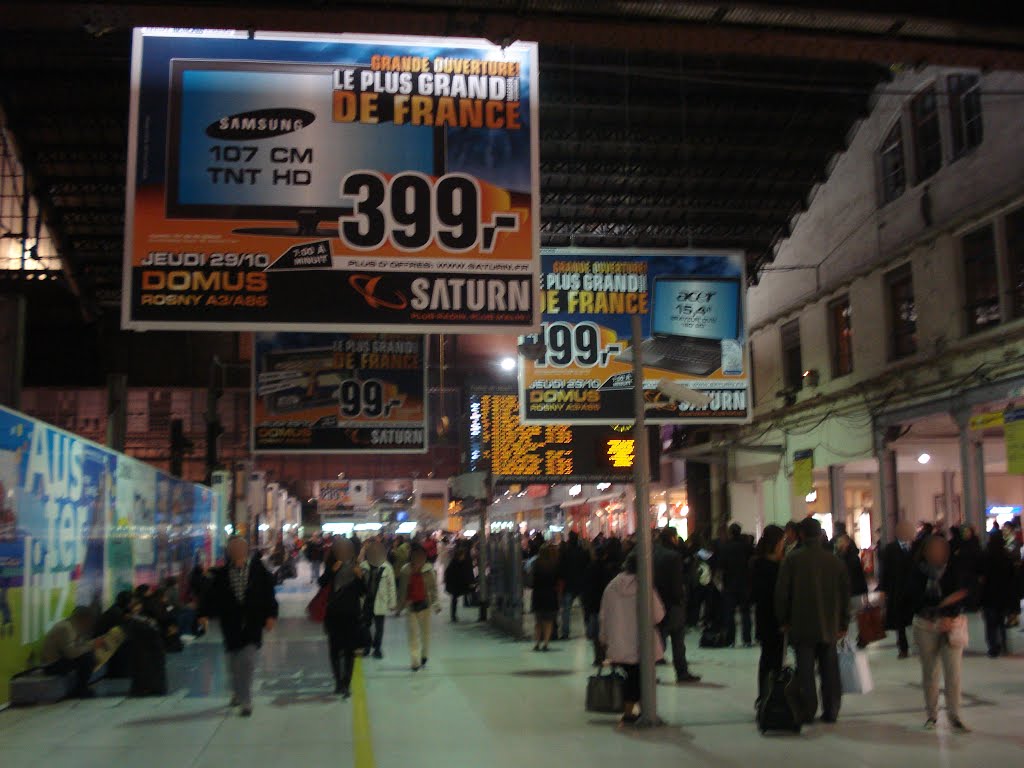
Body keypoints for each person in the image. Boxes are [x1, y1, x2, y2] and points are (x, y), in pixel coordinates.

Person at [775, 516, 850, 724]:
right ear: (820, 534)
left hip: (801, 625)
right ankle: (832, 710)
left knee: (805, 672)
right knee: (830, 671)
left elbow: (782, 593)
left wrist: (784, 619)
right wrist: (844, 623)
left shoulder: (792, 560)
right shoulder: (835, 561)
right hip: (829, 625)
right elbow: (845, 595)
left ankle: (807, 711)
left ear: (801, 534)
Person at [198, 535, 279, 717]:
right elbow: (210, 597)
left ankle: (246, 701)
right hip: (231, 624)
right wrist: (203, 615)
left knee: (247, 661)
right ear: (229, 552)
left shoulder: (259, 572)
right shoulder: (221, 574)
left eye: (240, 548)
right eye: (233, 549)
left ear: (246, 550)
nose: (237, 552)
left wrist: (271, 616)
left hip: (252, 622)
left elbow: (269, 595)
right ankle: (237, 692)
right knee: (233, 664)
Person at [904, 534, 971, 731]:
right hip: (926, 626)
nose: (937, 553)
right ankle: (932, 715)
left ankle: (955, 715)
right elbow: (911, 600)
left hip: (952, 626)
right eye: (933, 549)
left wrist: (949, 615)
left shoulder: (954, 568)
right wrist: (934, 613)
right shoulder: (917, 572)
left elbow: (964, 593)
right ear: (925, 552)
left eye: (941, 549)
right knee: (930, 671)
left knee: (953, 672)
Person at [599, 552, 666, 726]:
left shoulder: (611, 586)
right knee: (642, 678)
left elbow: (604, 616)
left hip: (619, 642)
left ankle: (632, 711)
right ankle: (639, 712)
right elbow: (658, 615)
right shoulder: (645, 587)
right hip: (642, 643)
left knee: (632, 677)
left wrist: (604, 638)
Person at [319, 537, 366, 697]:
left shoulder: (356, 567)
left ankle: (346, 683)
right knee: (334, 650)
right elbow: (322, 583)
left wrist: (359, 577)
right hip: (333, 615)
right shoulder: (332, 565)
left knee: (349, 651)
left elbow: (363, 592)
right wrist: (332, 571)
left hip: (351, 615)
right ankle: (338, 682)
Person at [653, 527, 700, 683]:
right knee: (678, 639)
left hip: (656, 601)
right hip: (673, 603)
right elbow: (676, 582)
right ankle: (682, 672)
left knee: (658, 638)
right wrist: (680, 598)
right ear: (673, 538)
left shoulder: (653, 553)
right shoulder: (673, 556)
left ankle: (648, 673)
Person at [751, 525, 786, 708]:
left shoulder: (757, 563)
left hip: (763, 617)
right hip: (776, 618)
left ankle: (764, 696)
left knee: (766, 658)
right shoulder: (778, 566)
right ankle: (773, 697)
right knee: (776, 658)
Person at [40, 606, 103, 698]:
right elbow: (71, 653)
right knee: (87, 658)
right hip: (52, 665)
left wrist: (94, 642)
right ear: (82, 618)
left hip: (61, 660)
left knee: (89, 656)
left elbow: (80, 645)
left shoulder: (74, 627)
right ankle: (80, 689)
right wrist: (91, 646)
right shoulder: (65, 628)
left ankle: (81, 688)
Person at [397, 544, 440, 671]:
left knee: (425, 634)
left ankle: (424, 655)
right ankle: (415, 661)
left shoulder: (428, 569)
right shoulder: (405, 570)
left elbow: (433, 589)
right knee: (413, 635)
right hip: (411, 607)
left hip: (425, 606)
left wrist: (436, 604)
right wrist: (400, 607)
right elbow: (402, 590)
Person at [879, 521, 915, 659]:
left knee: (915, 620)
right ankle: (903, 648)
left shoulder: (916, 547)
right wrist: (883, 590)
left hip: (914, 591)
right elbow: (885, 571)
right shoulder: (890, 549)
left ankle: (918, 646)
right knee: (900, 622)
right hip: (897, 590)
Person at [582, 538, 620, 666]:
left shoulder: (590, 568)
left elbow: (587, 589)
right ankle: (611, 656)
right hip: (607, 605)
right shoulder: (610, 569)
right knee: (610, 632)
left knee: (597, 635)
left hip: (594, 605)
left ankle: (599, 657)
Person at [980, 531, 1016, 658]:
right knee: (1001, 622)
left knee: (990, 624)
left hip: (989, 595)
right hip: (1003, 595)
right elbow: (1012, 579)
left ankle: (993, 647)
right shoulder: (1007, 556)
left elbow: (982, 576)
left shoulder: (986, 555)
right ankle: (1003, 645)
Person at [717, 522, 754, 647]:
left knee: (729, 613)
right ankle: (747, 639)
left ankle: (730, 640)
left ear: (730, 533)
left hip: (730, 584)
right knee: (746, 613)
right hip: (745, 583)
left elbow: (721, 566)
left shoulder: (725, 547)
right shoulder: (747, 547)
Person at [361, 540, 397, 658]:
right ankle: (367, 646)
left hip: (380, 601)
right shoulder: (363, 566)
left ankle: (377, 648)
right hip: (366, 601)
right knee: (365, 626)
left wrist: (392, 602)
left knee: (379, 628)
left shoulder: (387, 567)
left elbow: (391, 585)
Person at [834, 534, 869, 646]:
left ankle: (860, 638)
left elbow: (860, 576)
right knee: (849, 617)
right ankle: (848, 640)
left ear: (847, 543)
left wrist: (865, 592)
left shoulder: (851, 558)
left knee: (856, 616)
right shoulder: (839, 557)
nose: (838, 544)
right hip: (848, 592)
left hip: (855, 592)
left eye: (840, 542)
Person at [557, 531, 590, 640]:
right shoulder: (583, 553)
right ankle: (589, 631)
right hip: (582, 585)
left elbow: (561, 570)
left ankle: (565, 633)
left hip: (568, 585)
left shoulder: (565, 553)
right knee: (586, 609)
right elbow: (587, 567)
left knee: (566, 611)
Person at [530, 543, 560, 651]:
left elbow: (532, 580)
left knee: (538, 621)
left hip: (538, 594)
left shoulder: (536, 563)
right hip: (550, 594)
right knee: (548, 621)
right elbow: (557, 580)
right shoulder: (554, 564)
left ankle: (537, 642)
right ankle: (546, 643)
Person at [444, 544, 475, 623]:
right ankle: (453, 616)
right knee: (454, 599)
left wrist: (471, 582)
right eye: (461, 556)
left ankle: (467, 603)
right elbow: (448, 574)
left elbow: (468, 573)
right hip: (455, 585)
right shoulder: (454, 563)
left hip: (461, 584)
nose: (462, 557)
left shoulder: (464, 562)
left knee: (458, 597)